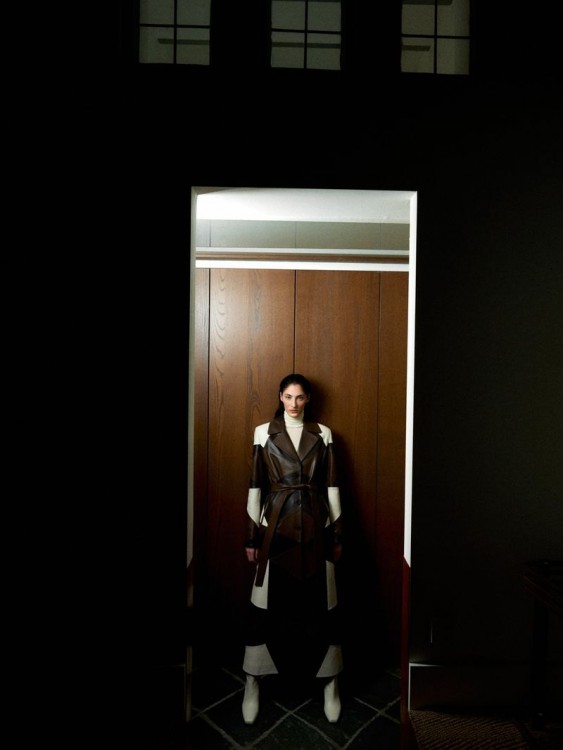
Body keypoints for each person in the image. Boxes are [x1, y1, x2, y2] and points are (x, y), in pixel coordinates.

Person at [241, 373, 344, 724]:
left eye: (300, 397)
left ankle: (331, 682)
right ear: (280, 397)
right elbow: (255, 486)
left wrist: (337, 536)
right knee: (263, 605)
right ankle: (252, 681)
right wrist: (251, 538)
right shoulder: (263, 433)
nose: (294, 404)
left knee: (324, 604)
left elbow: (332, 487)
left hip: (316, 524)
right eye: (288, 397)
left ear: (308, 398)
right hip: (276, 525)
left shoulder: (323, 434)